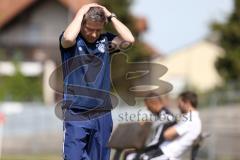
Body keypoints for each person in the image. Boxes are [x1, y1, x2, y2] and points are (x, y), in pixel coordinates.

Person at [59, 3, 135, 160]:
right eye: (89, 29)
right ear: (82, 24)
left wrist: (110, 15)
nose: (93, 34)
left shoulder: (106, 42)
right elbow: (67, 38)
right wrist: (81, 12)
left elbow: (129, 39)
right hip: (76, 113)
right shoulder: (71, 42)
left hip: (102, 114)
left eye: (98, 30)